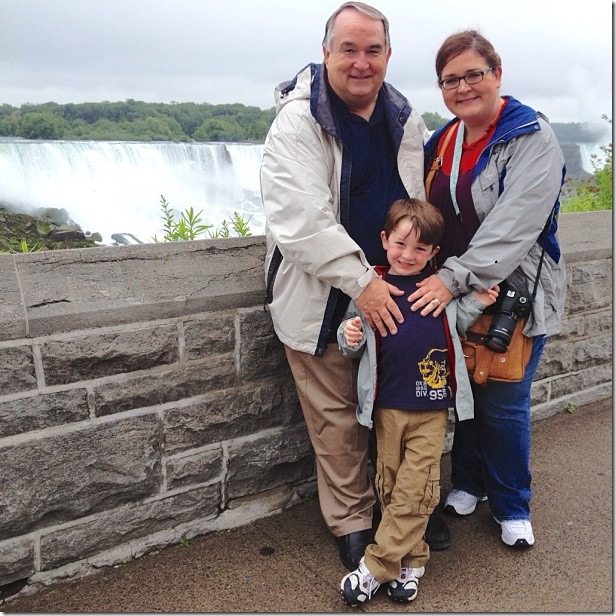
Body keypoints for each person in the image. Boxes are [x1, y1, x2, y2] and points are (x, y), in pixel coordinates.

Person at [260, 1, 450, 572]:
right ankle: (352, 520)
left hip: (396, 294)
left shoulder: (404, 119)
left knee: (399, 405)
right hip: (323, 296)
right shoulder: (297, 122)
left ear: (388, 55)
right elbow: (300, 221)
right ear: (325, 53)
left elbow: (419, 204)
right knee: (337, 418)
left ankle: (403, 511)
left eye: (373, 50)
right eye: (349, 48)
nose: (361, 62)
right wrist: (363, 282)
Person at [409, 29, 567, 548]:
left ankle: (512, 504)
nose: (463, 87)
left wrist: (451, 278)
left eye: (474, 74)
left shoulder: (530, 137)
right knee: (465, 391)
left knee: (502, 398)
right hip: (455, 292)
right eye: (450, 79)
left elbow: (515, 225)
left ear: (497, 74)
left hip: (512, 291)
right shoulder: (443, 140)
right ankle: (471, 483)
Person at [337, 198, 497, 605]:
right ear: (384, 240)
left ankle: (375, 567)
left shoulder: (436, 289)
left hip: (432, 406)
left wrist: (478, 301)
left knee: (416, 485)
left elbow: (457, 320)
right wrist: (349, 336)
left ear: (433, 253)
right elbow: (350, 340)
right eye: (401, 244)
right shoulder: (371, 287)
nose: (409, 255)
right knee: (391, 483)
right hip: (388, 404)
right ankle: (413, 560)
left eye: (420, 249)